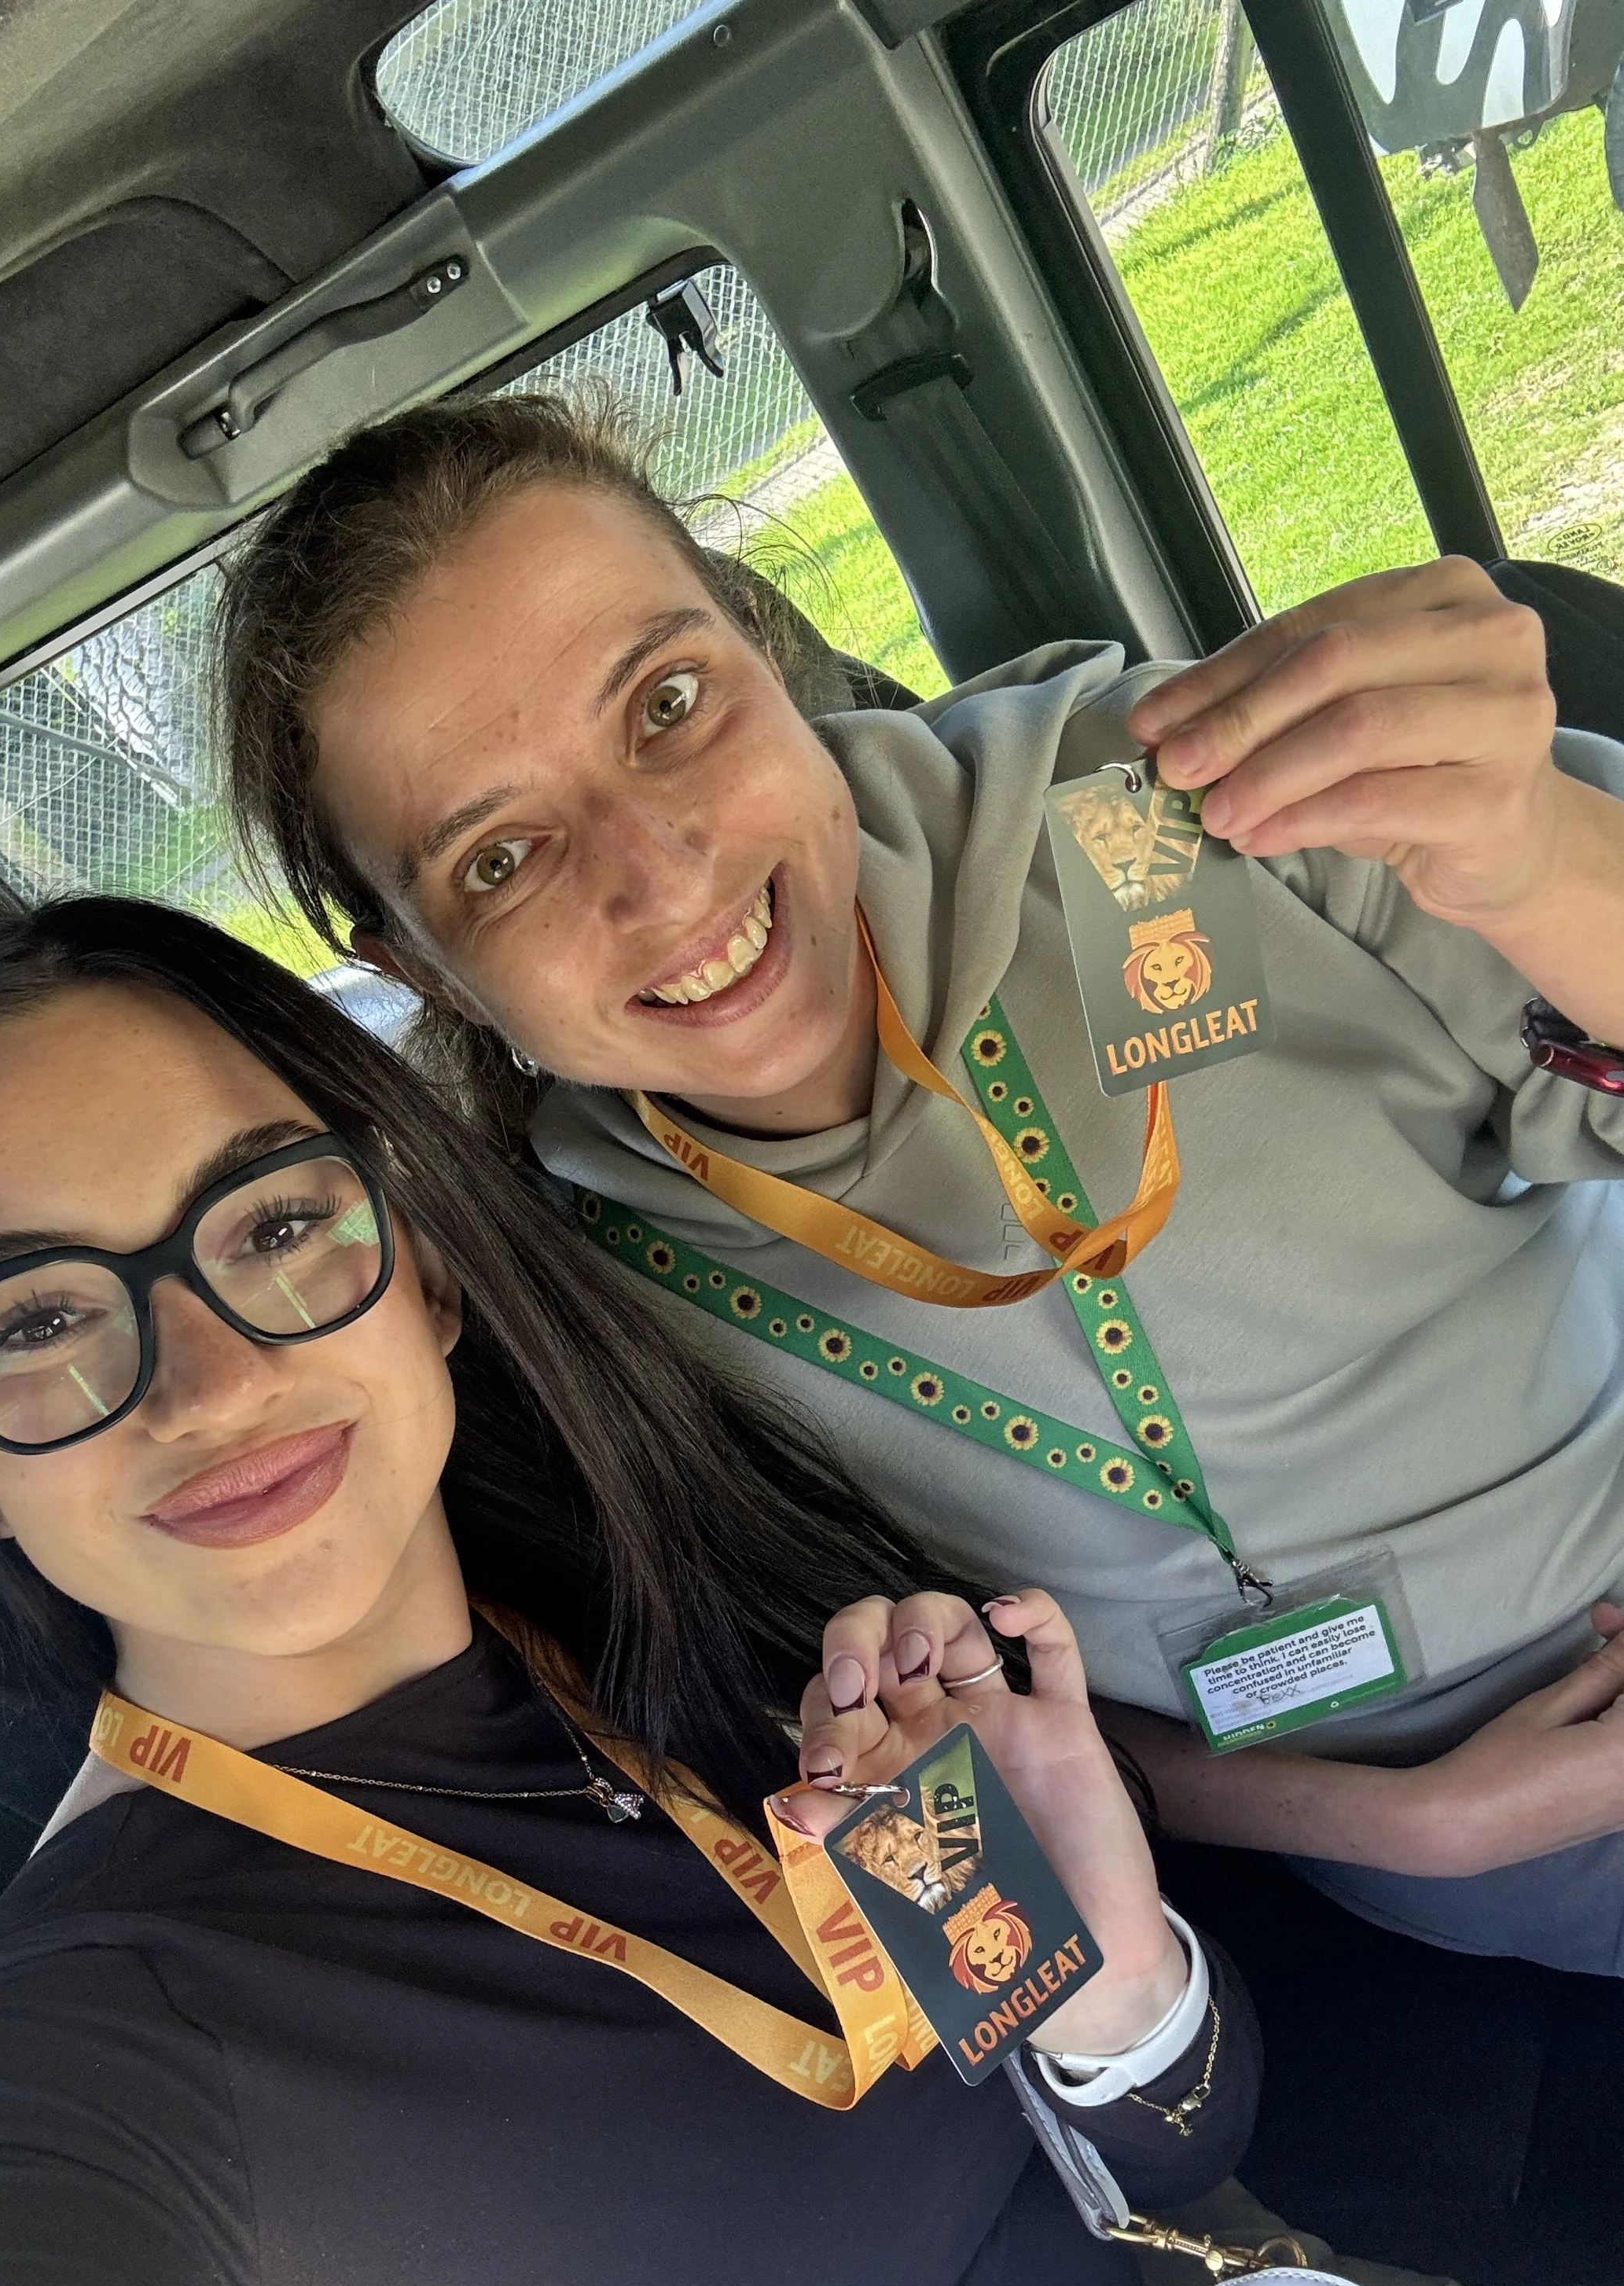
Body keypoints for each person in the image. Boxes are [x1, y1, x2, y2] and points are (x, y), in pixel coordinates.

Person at [0, 898, 1258, 2286]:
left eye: (278, 1220)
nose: (211, 1380)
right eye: (33, 1321)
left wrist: (1119, 1988)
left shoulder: (737, 1650)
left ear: (424, 1265)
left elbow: (1176, 2156)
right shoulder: (68, 2083)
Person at [215, 391, 1624, 1974]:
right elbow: (903, 1733)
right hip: (1441, 1868)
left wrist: (1533, 855)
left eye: (668, 703)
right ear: (427, 972)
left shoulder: (1143, 801)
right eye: (498, 857)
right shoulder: (584, 1310)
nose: (662, 876)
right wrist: (1408, 1825)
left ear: (765, 653)